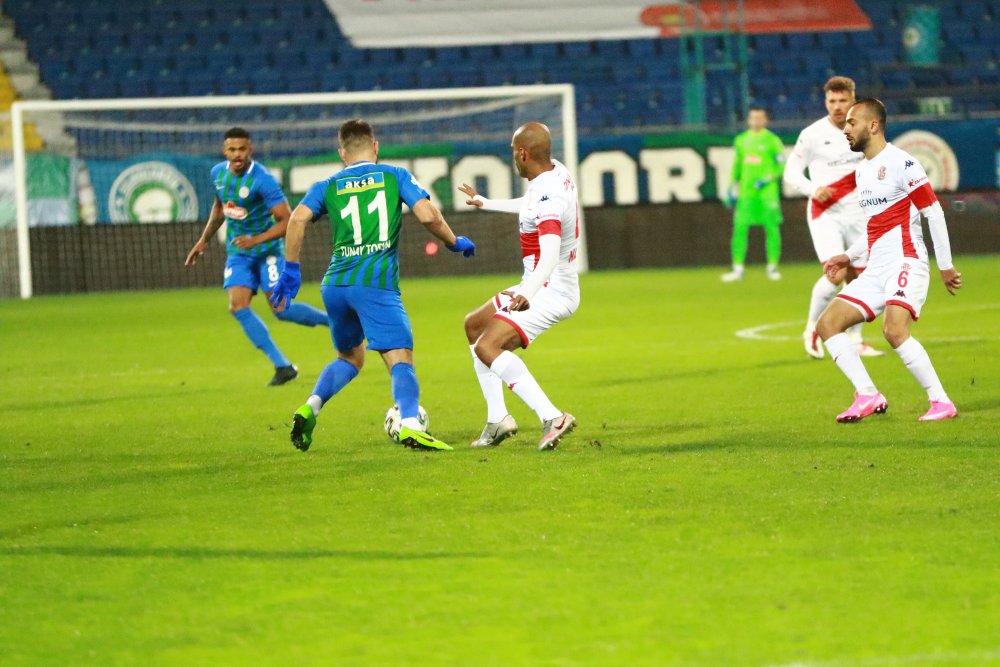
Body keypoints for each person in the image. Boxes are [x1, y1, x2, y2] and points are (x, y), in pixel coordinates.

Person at [268, 119, 476, 452]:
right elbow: (428, 216)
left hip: (335, 284)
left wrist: (291, 269)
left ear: (342, 153)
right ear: (375, 146)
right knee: (400, 356)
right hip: (374, 284)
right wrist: (454, 241)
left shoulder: (328, 185)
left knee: (350, 357)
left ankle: (310, 406)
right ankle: (409, 423)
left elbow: (296, 219)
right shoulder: (394, 176)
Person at [816, 98, 961, 423]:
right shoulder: (864, 171)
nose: (846, 129)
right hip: (876, 267)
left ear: (873, 125)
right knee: (827, 324)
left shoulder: (902, 163)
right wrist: (847, 256)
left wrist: (946, 265)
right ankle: (868, 394)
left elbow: (933, 211)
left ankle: (941, 401)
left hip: (906, 261)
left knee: (894, 330)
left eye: (852, 122)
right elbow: (875, 227)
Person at [457, 121, 579, 451]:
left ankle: (553, 417)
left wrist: (527, 293)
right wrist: (486, 202)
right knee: (474, 326)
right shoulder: (554, 173)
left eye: (513, 152)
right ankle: (498, 419)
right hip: (539, 283)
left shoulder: (549, 197)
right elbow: (530, 204)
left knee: (489, 347)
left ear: (523, 154)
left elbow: (550, 254)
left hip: (550, 290)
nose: (513, 158)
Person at [185, 127, 329, 386]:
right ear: (224, 150)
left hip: (268, 253)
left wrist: (256, 240)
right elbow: (220, 209)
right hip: (239, 254)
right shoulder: (217, 173)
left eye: (242, 149)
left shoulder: (262, 179)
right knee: (237, 306)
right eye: (232, 149)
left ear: (250, 150)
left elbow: (288, 220)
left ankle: (334, 321)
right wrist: (203, 240)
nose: (237, 154)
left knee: (281, 310)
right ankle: (283, 366)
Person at [783, 76, 883, 360]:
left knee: (861, 279)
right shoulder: (812, 134)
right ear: (825, 102)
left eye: (843, 101)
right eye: (832, 101)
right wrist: (813, 188)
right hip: (826, 213)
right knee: (835, 272)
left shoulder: (867, 129)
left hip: (861, 213)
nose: (837, 107)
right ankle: (812, 329)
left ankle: (855, 339)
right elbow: (790, 173)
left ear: (853, 100)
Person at [720, 107, 785, 282]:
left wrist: (767, 179)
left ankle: (772, 267)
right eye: (753, 118)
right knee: (739, 229)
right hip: (746, 193)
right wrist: (730, 188)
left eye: (760, 118)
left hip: (767, 193)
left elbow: (781, 166)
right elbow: (737, 166)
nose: (756, 121)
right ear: (749, 120)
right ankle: (737, 269)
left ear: (765, 120)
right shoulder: (741, 140)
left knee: (771, 228)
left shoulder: (772, 140)